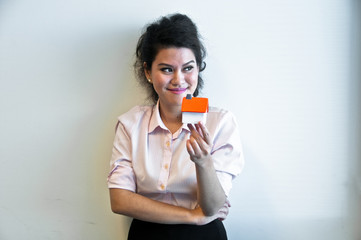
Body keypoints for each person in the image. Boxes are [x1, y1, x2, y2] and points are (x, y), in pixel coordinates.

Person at [107, 13, 244, 240]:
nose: (179, 80)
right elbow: (120, 200)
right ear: (148, 72)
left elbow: (212, 207)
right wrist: (191, 216)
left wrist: (203, 162)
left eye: (188, 68)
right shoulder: (131, 124)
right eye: (167, 69)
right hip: (147, 233)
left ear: (199, 69)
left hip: (204, 235)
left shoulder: (220, 122)